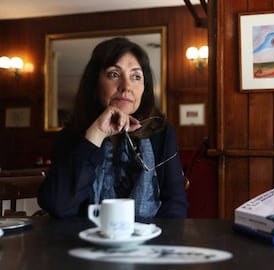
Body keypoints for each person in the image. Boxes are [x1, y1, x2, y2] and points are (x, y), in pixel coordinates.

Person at [38, 37, 188, 219]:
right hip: (85, 242)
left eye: (136, 77)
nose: (126, 87)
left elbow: (175, 206)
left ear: (144, 89)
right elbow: (58, 206)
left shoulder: (161, 133)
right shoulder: (71, 137)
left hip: (149, 242)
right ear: (95, 84)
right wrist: (95, 135)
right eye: (114, 74)